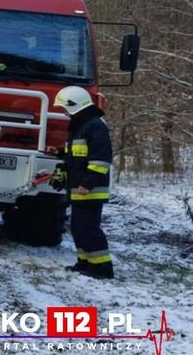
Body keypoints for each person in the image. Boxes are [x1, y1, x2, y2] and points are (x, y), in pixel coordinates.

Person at [51, 86, 114, 279]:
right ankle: (85, 262)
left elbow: (101, 160)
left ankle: (102, 269)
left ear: (74, 106)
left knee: (89, 228)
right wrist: (60, 154)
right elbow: (79, 156)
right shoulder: (81, 126)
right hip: (80, 188)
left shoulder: (95, 126)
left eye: (65, 108)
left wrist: (87, 183)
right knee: (78, 227)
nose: (64, 112)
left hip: (90, 189)